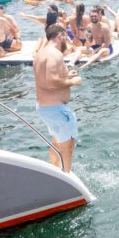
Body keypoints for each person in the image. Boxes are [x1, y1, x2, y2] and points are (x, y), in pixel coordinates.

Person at [33, 24, 82, 172]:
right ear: (59, 36)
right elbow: (52, 82)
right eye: (65, 36)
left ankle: (55, 171)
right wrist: (73, 82)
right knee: (67, 147)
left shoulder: (41, 53)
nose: (66, 40)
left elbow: (44, 79)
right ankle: (67, 177)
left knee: (56, 143)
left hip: (45, 107)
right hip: (55, 109)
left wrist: (66, 75)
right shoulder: (55, 54)